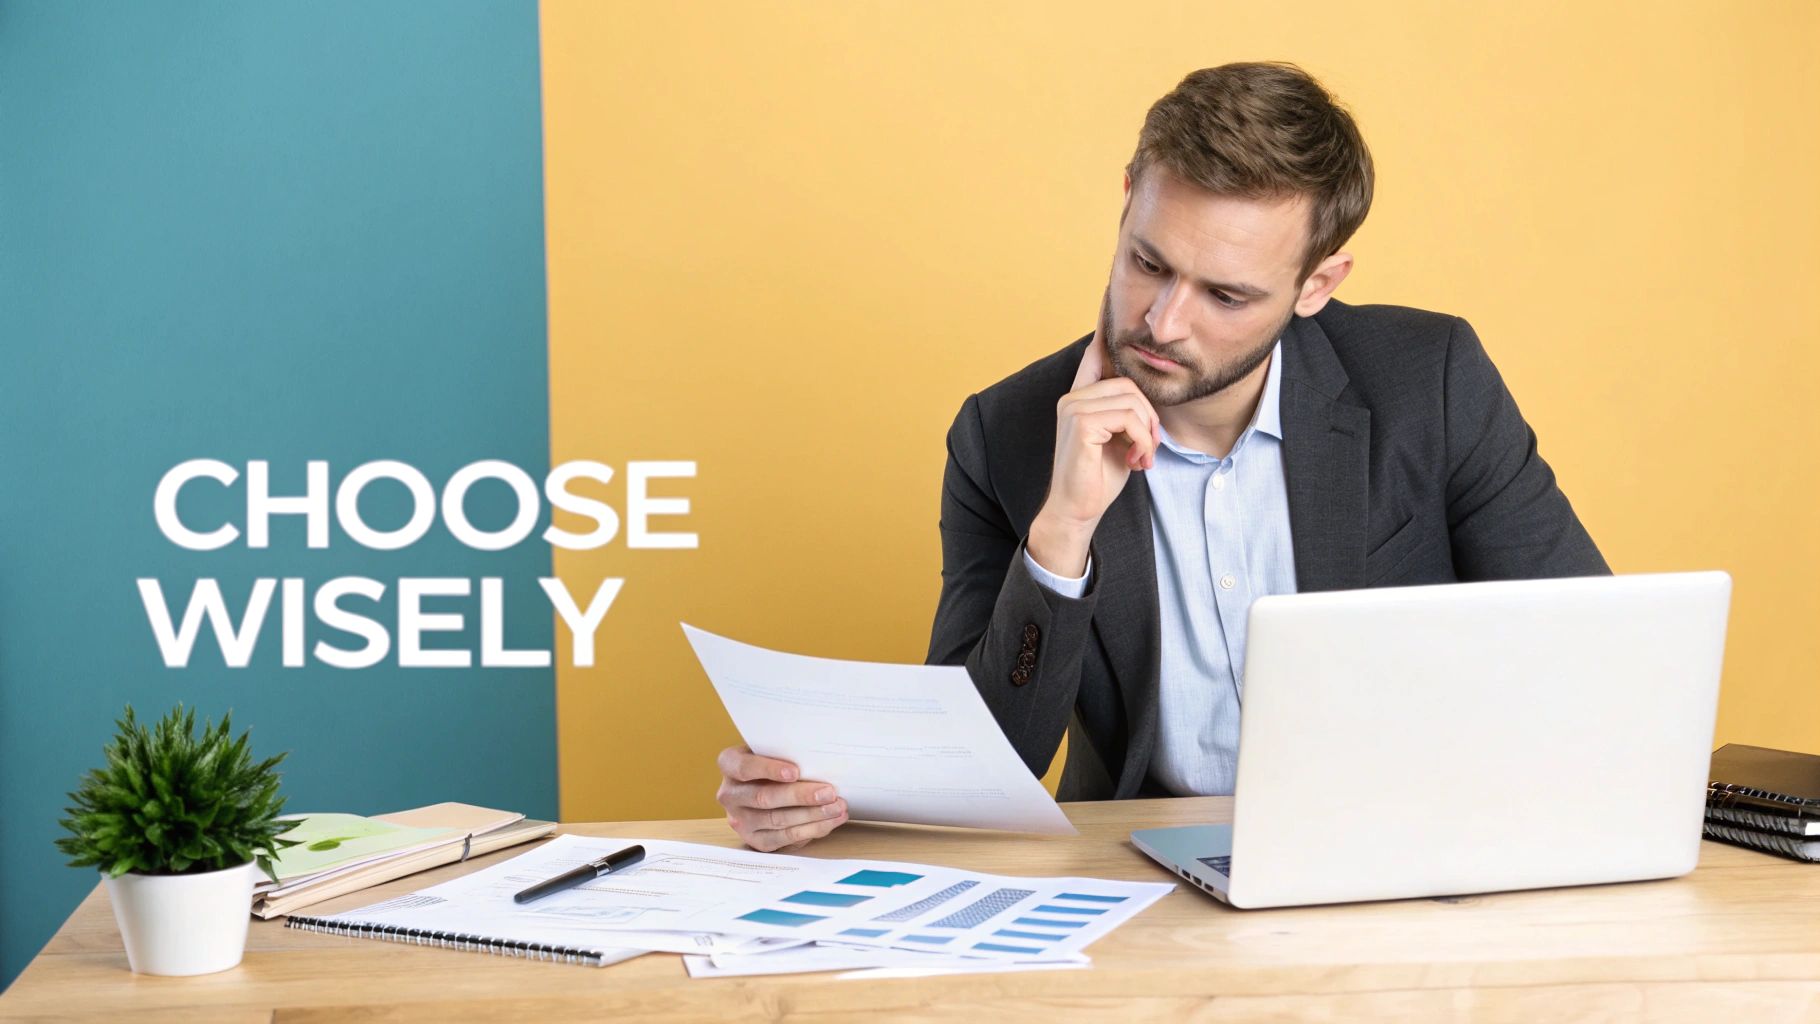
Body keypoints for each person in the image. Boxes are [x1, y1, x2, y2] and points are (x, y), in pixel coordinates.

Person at [716, 62, 1608, 851]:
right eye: (1148, 262)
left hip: (1412, 848)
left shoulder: (1428, 383)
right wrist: (1063, 534)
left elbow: (1591, 655)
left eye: (1226, 295)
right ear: (1127, 200)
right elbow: (977, 770)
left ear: (1317, 285)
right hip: (1147, 870)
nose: (1162, 322)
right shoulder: (1007, 433)